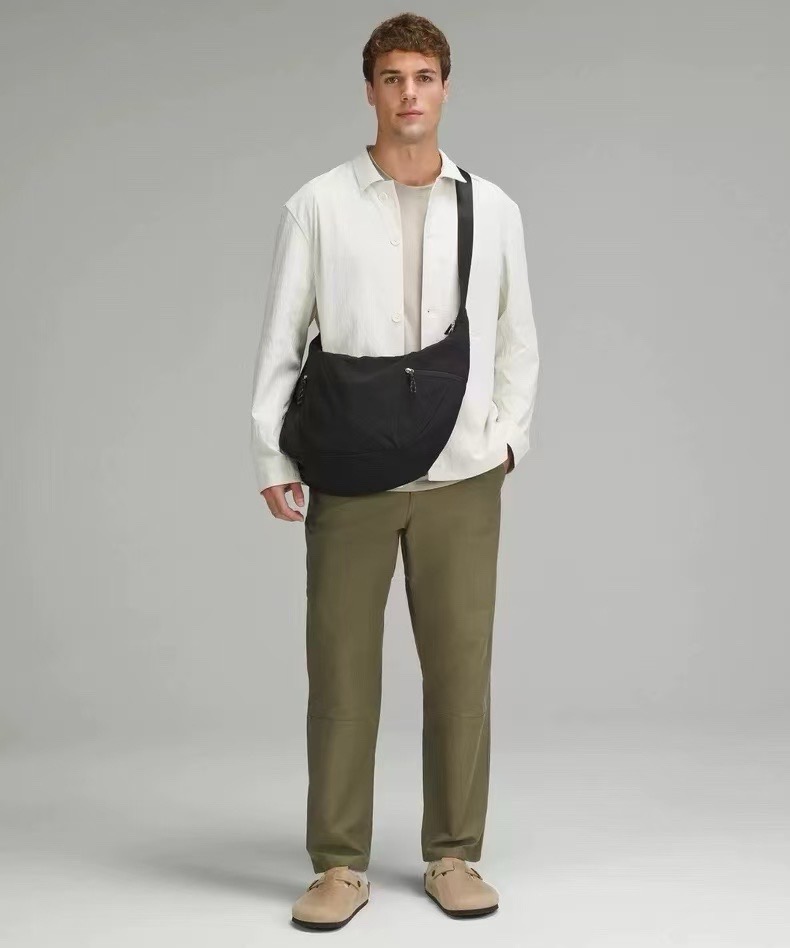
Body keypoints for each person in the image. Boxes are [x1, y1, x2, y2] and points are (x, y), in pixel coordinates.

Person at [250, 12, 539, 931]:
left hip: (463, 476)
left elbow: (518, 337)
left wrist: (507, 439)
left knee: (460, 672)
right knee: (340, 674)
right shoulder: (319, 204)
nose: (409, 93)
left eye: (423, 76)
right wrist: (272, 450)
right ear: (370, 90)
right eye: (392, 78)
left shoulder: (492, 208)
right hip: (350, 472)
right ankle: (338, 865)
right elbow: (283, 337)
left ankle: (454, 854)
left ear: (445, 87)